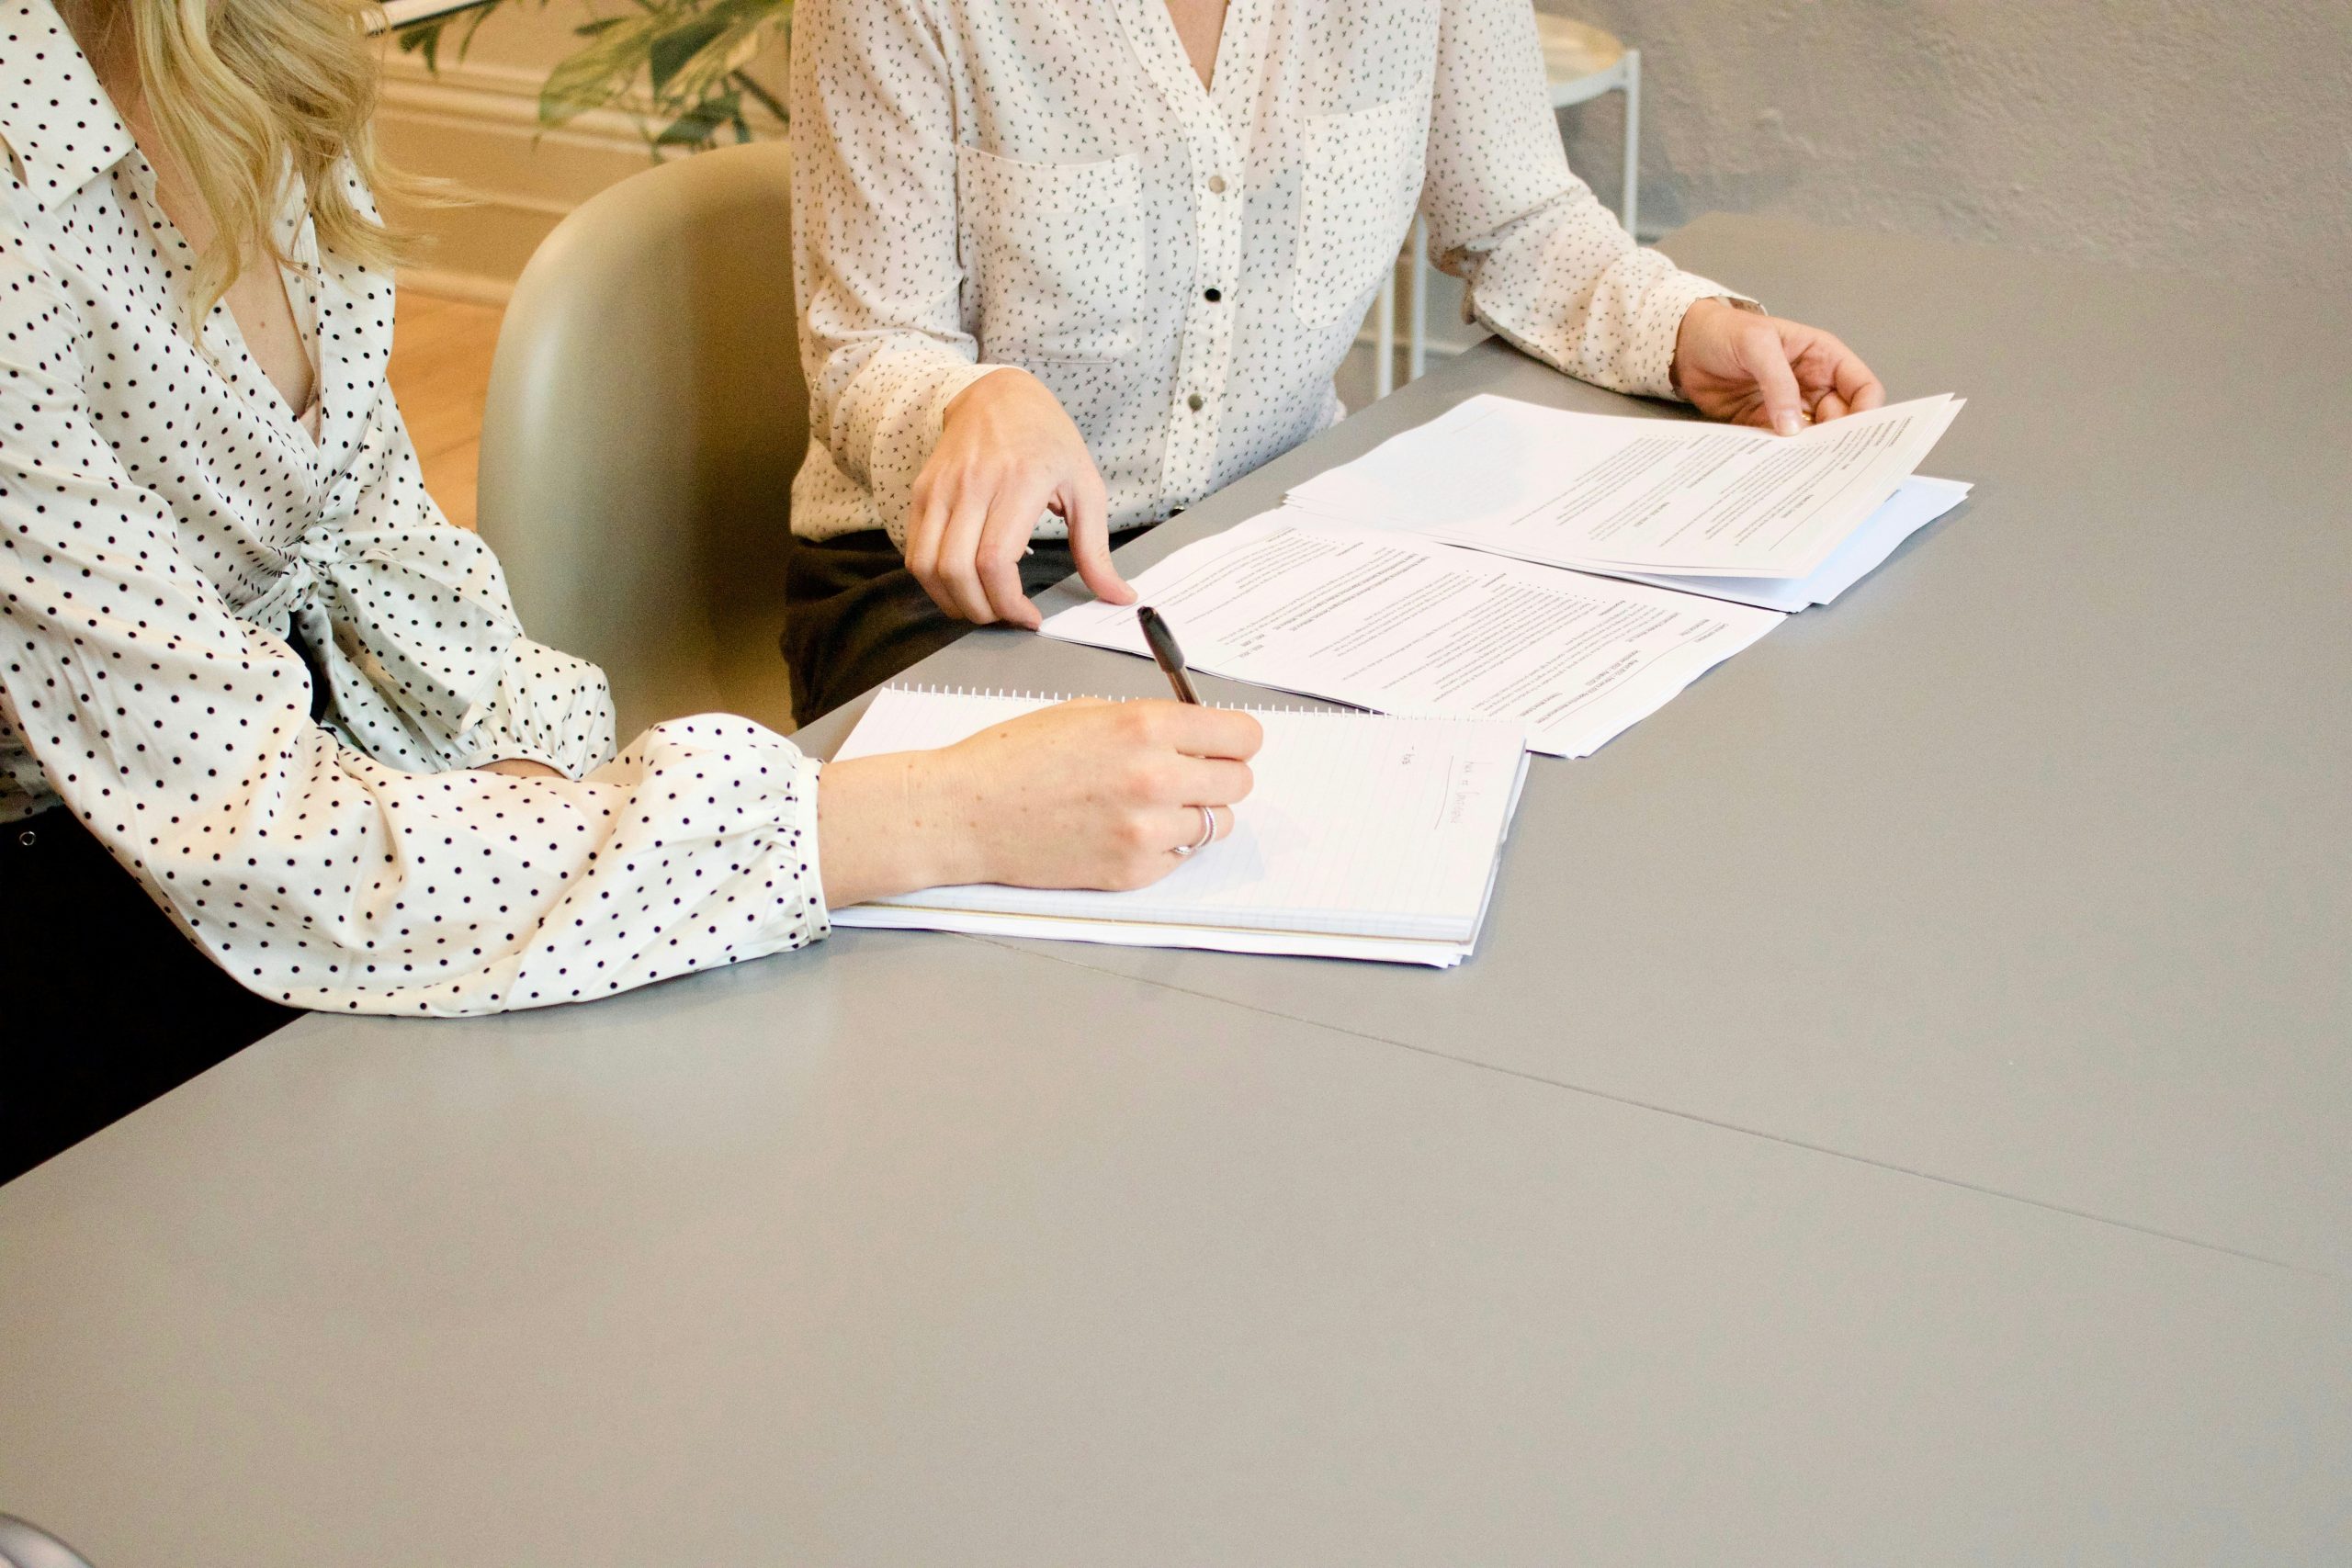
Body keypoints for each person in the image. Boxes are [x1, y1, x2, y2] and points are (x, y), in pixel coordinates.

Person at [0, 0, 1260, 1183]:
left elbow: (380, 551)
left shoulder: (255, 58)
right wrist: (940, 815)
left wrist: (542, 785)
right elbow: (265, 839)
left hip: (306, 803)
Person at [785, 0, 1889, 720]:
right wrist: (974, 400)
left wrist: (1686, 329)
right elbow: (866, 343)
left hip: (1267, 545)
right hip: (953, 582)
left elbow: (1516, 217)